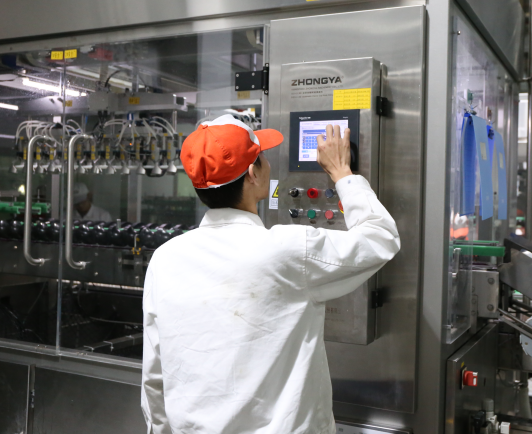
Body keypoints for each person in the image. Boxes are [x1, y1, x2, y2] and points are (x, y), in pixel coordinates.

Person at [141, 114, 400, 434]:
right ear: (253, 174)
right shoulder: (287, 249)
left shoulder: (165, 258)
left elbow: (154, 376)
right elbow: (380, 238)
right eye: (262, 157)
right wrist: (343, 174)